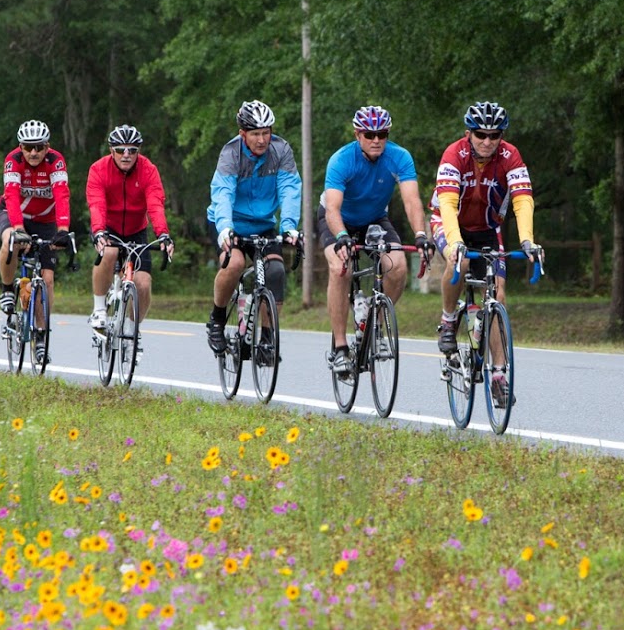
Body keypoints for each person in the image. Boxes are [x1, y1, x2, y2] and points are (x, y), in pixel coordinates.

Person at [430, 101, 541, 408]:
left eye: (495, 135)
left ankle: (499, 377)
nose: (488, 141)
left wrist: (528, 241)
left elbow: (522, 201)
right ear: (469, 133)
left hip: (488, 228)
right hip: (450, 222)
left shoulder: (510, 156)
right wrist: (453, 244)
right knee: (461, 261)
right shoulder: (454, 155)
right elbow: (448, 205)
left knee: (498, 295)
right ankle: (449, 319)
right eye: (481, 134)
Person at [317, 104, 433, 376]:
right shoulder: (342, 159)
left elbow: (412, 200)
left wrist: (420, 235)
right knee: (340, 267)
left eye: (382, 134)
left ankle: (374, 323)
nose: (376, 140)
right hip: (338, 219)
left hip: (374, 218)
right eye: (369, 135)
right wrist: (343, 236)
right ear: (358, 135)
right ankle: (340, 347)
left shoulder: (399, 157)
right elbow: (332, 208)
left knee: (398, 266)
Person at [204, 100, 302, 360]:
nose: (262, 140)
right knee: (234, 264)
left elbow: (290, 189)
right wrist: (225, 228)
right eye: (255, 134)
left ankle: (268, 339)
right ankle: (216, 319)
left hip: (264, 225)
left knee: (276, 271)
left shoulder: (281, 150)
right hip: (231, 223)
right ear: (242, 134)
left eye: (266, 132)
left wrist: (289, 226)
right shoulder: (230, 154)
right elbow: (223, 193)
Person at [86, 124, 174, 333]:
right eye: (120, 150)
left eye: (132, 150)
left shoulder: (148, 170)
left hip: (136, 230)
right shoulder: (98, 169)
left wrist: (163, 234)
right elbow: (96, 204)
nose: (126, 155)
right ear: (111, 151)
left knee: (143, 284)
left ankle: (132, 330)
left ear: (138, 152)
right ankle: (99, 309)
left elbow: (155, 204)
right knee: (110, 252)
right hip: (108, 227)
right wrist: (99, 231)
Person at [0, 119, 70, 364]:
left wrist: (62, 230)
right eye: (28, 148)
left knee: (46, 279)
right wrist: (18, 228)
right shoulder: (13, 160)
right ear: (21, 147)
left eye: (39, 147)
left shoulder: (56, 161)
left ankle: (41, 335)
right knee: (11, 240)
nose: (34, 153)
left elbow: (61, 195)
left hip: (46, 220)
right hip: (15, 215)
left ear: (47, 147)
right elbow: (12, 196)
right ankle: (7, 288)